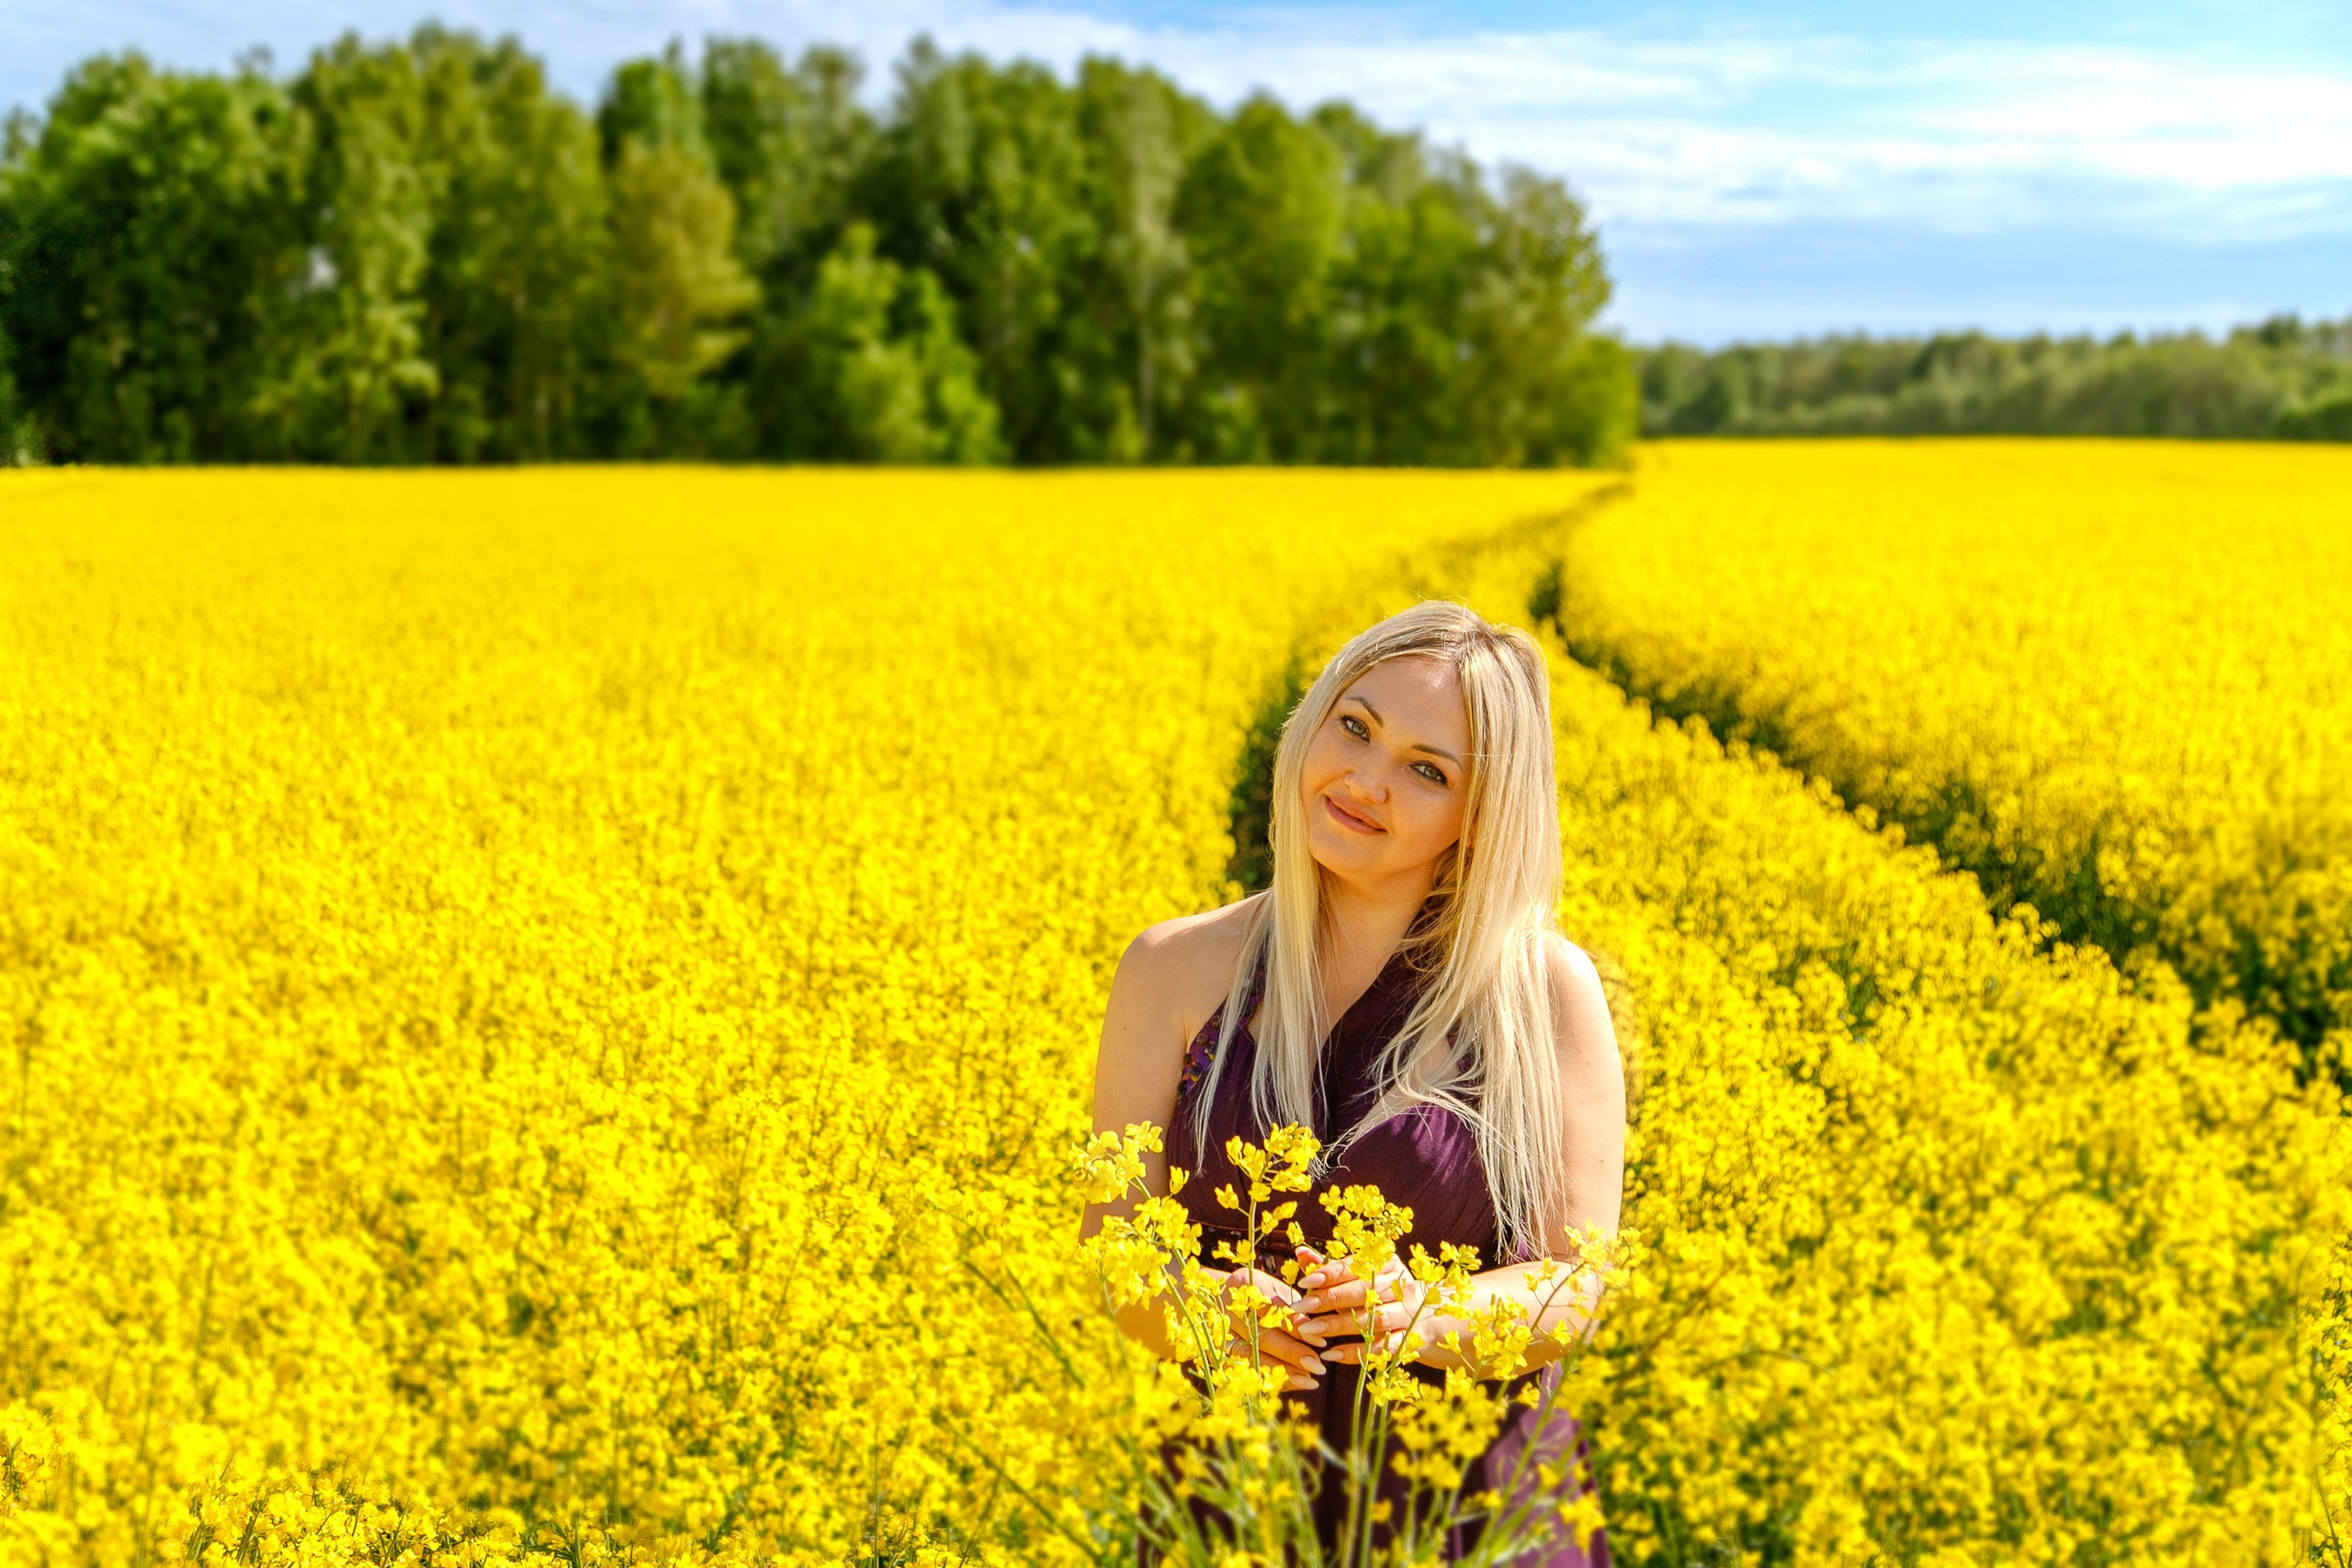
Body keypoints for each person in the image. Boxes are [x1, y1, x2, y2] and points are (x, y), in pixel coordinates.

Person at [1083, 600, 1628, 1564]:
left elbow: (1574, 1283)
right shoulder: (1167, 970)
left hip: (1463, 1514)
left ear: (1479, 814)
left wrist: (1425, 1314)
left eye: (1426, 771)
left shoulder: (1540, 993)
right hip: (1236, 1501)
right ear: (1312, 720)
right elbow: (1112, 1253)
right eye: (1355, 725)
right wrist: (1203, 1313)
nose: (1365, 781)